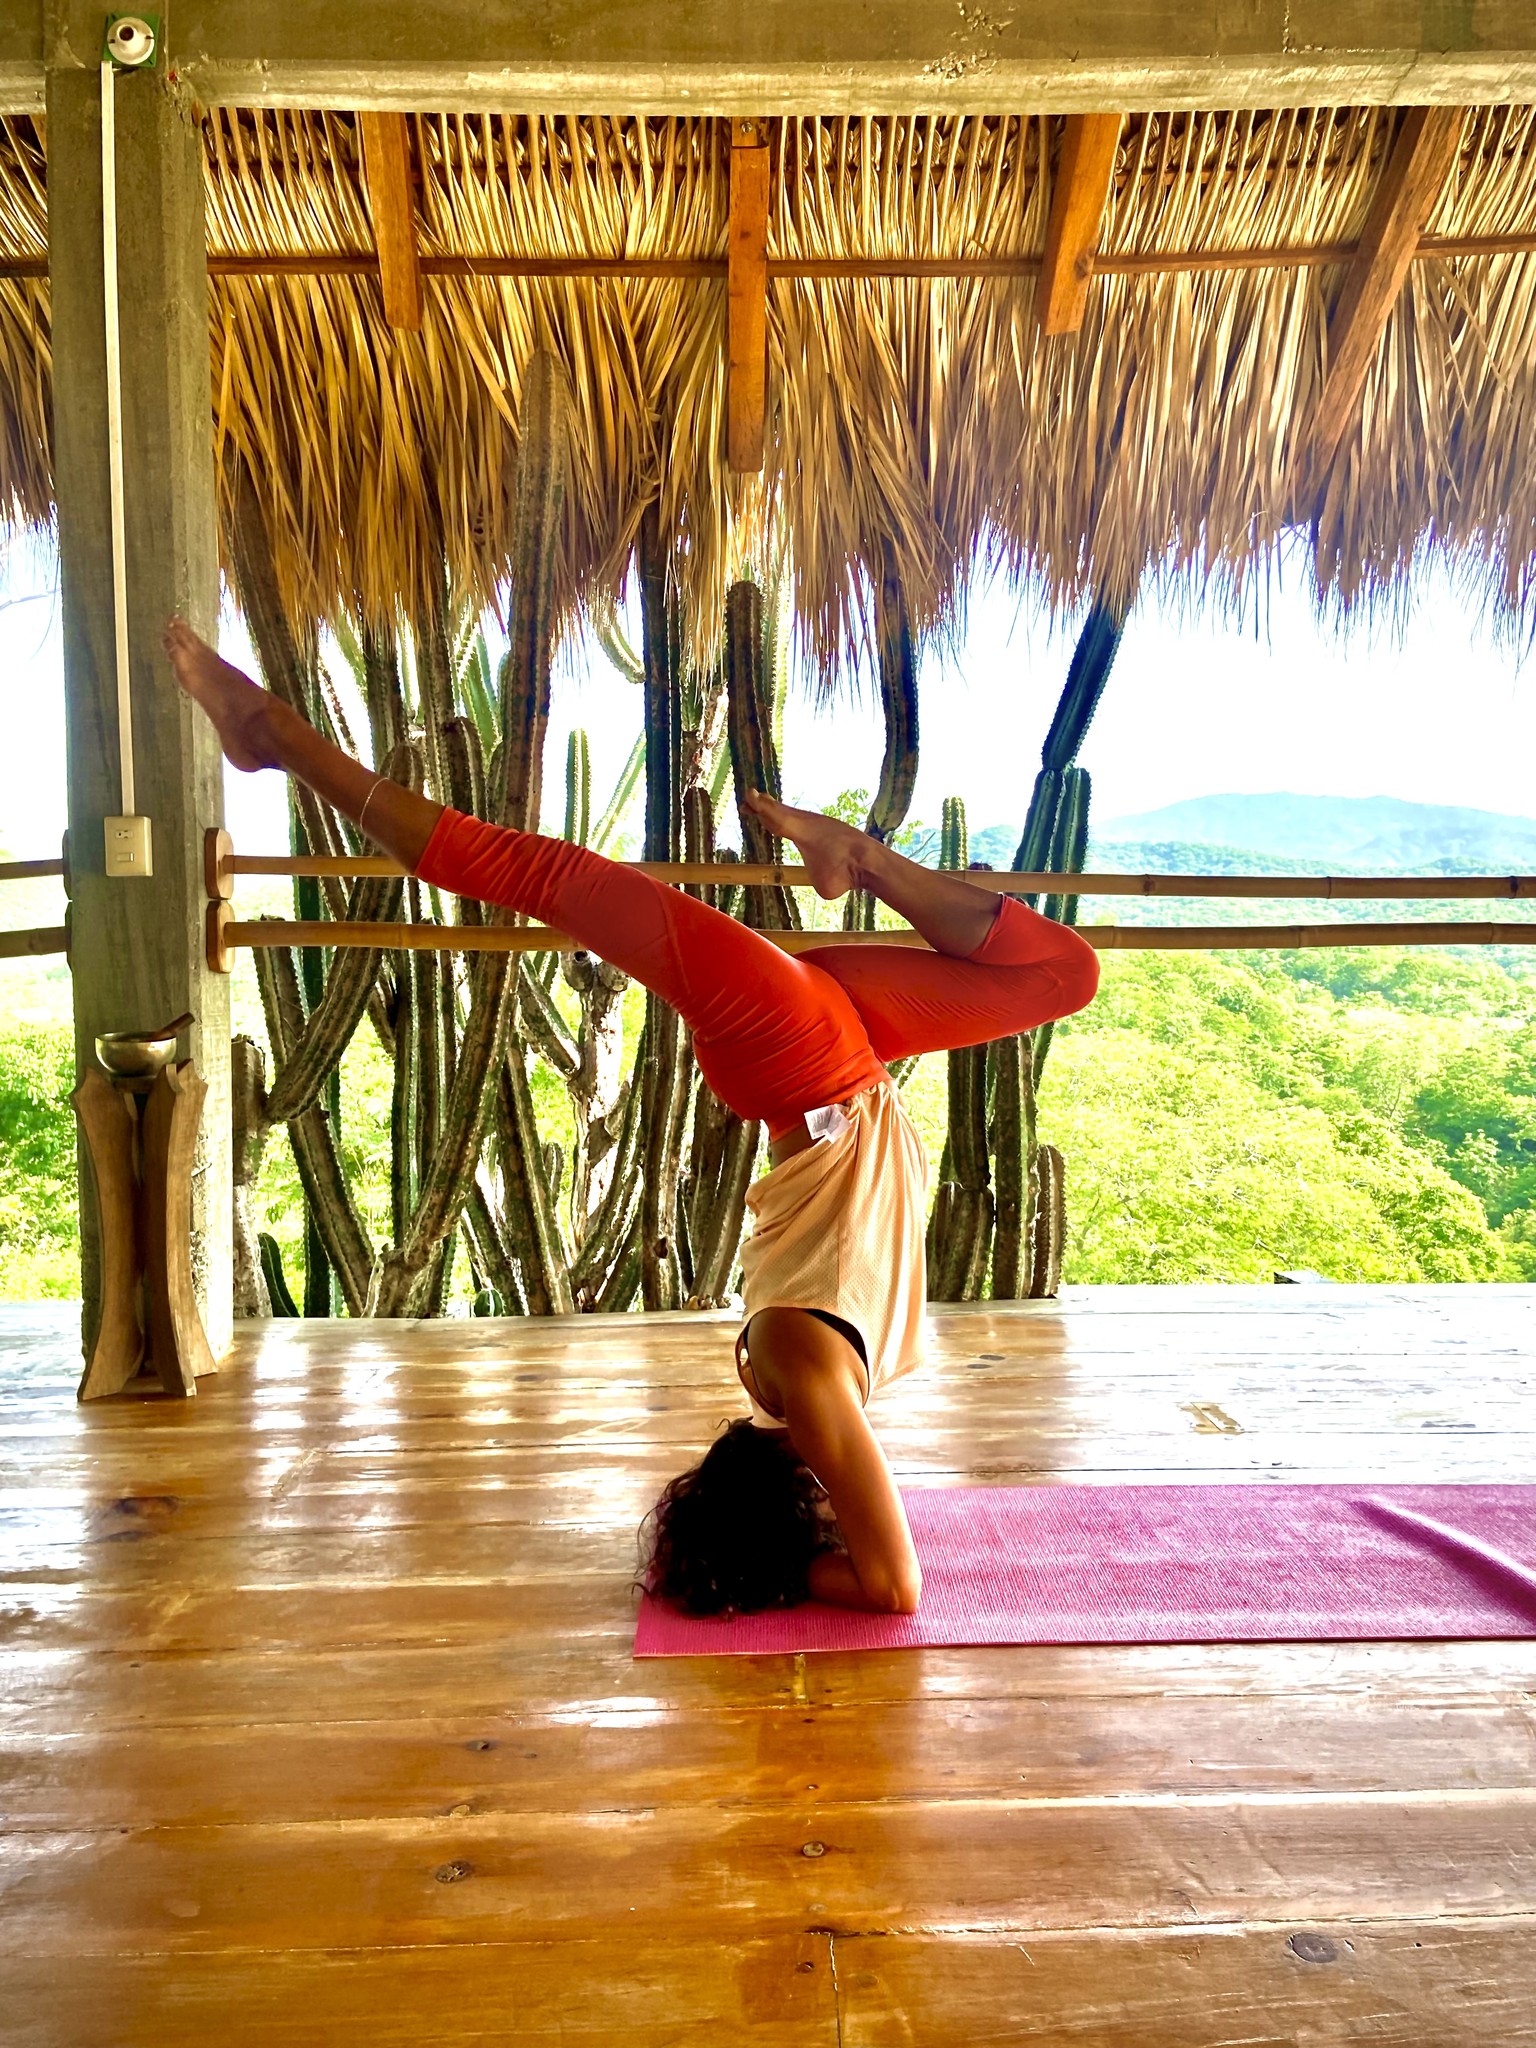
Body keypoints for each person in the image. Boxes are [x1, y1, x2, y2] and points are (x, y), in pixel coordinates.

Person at [164, 617, 1100, 1619]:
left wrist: (763, 1573)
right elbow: (876, 1557)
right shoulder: (804, 1383)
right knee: (1063, 974)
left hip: (804, 1059)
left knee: (549, 877)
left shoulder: (807, 1375)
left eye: (822, 1514)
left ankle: (279, 738)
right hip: (843, 1057)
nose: (844, 1506)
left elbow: (893, 1587)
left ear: (788, 1502)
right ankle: (860, 861)